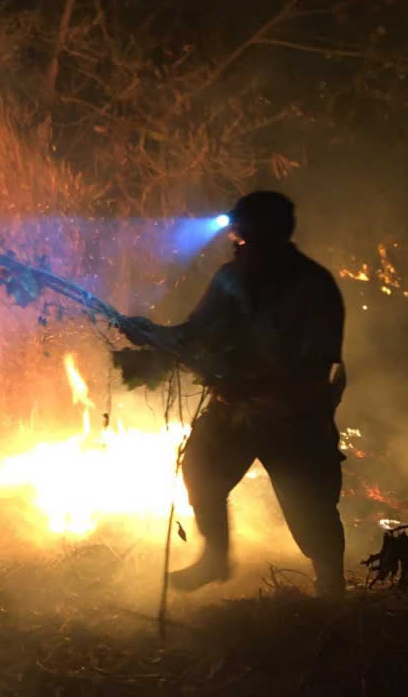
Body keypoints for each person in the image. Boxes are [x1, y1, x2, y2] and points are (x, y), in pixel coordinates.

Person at [117, 191, 347, 598]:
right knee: (201, 471)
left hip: (295, 418)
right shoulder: (230, 278)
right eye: (239, 237)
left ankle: (331, 588)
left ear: (272, 236)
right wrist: (152, 335)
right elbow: (195, 333)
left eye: (245, 236)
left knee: (310, 508)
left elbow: (317, 361)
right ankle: (216, 558)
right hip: (236, 409)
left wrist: (256, 383)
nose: (238, 243)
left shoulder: (313, 285)